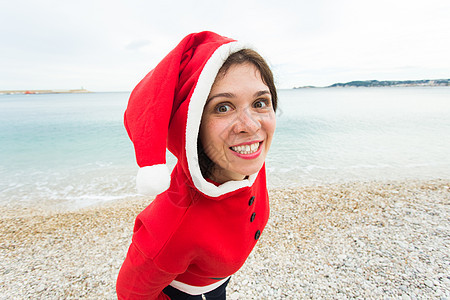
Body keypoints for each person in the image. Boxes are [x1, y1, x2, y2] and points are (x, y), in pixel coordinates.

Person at [116, 31, 277, 300]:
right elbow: (131, 292)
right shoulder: (173, 224)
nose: (251, 126)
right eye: (223, 107)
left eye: (260, 103)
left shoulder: (245, 159)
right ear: (191, 126)